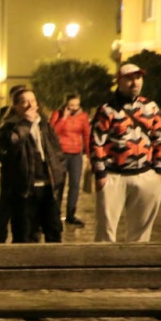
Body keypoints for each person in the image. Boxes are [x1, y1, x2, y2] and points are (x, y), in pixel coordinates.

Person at [92, 63, 161, 243]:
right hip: (113, 175)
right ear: (119, 81)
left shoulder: (151, 107)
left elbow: (160, 139)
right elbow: (96, 142)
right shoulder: (107, 109)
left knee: (141, 234)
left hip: (145, 175)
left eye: (138, 78)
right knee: (105, 234)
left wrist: (159, 171)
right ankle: (104, 268)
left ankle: (137, 267)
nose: (134, 83)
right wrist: (101, 174)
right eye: (129, 79)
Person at [0, 88, 66, 243]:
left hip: (49, 186)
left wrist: (59, 171)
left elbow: (56, 150)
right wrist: (26, 123)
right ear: (15, 106)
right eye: (24, 101)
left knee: (54, 230)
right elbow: (10, 142)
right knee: (25, 234)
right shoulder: (9, 126)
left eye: (32, 101)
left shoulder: (44, 124)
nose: (30, 105)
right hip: (26, 188)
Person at [0, 84, 28, 243]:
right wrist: (8, 159)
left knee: (24, 212)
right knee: (5, 209)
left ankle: (23, 242)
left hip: (29, 175)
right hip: (11, 173)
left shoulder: (35, 120)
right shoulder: (2, 119)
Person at [50, 94, 91, 227]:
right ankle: (54, 214)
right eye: (71, 105)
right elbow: (52, 132)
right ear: (66, 104)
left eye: (76, 105)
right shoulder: (57, 114)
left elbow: (86, 135)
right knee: (59, 185)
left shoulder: (83, 116)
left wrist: (89, 154)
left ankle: (71, 214)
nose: (74, 108)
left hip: (76, 154)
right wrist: (64, 118)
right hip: (60, 154)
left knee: (75, 184)